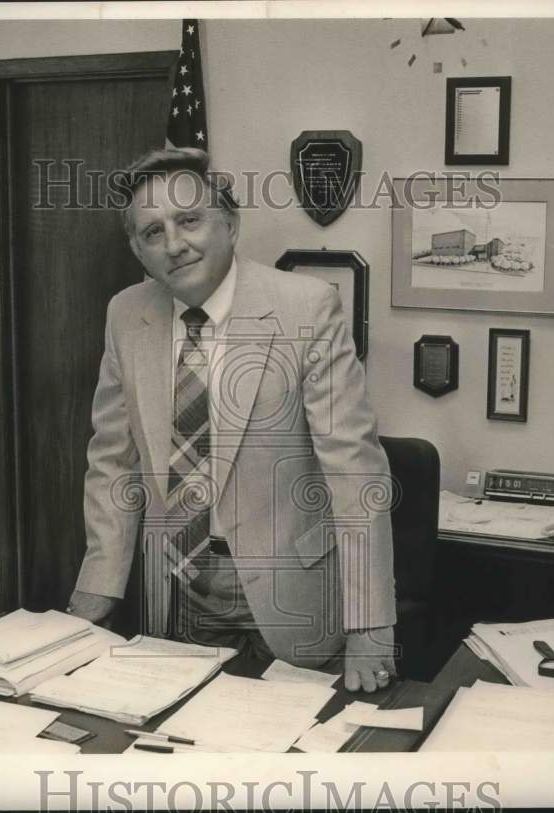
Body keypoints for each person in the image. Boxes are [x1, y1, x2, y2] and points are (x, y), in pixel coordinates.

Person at [68, 148, 398, 692]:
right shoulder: (126, 314)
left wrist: (370, 623)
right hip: (179, 593)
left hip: (293, 589)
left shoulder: (306, 307)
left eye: (190, 220)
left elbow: (354, 470)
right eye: (153, 233)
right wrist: (98, 587)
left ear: (230, 223)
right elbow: (112, 463)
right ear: (138, 251)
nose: (174, 244)